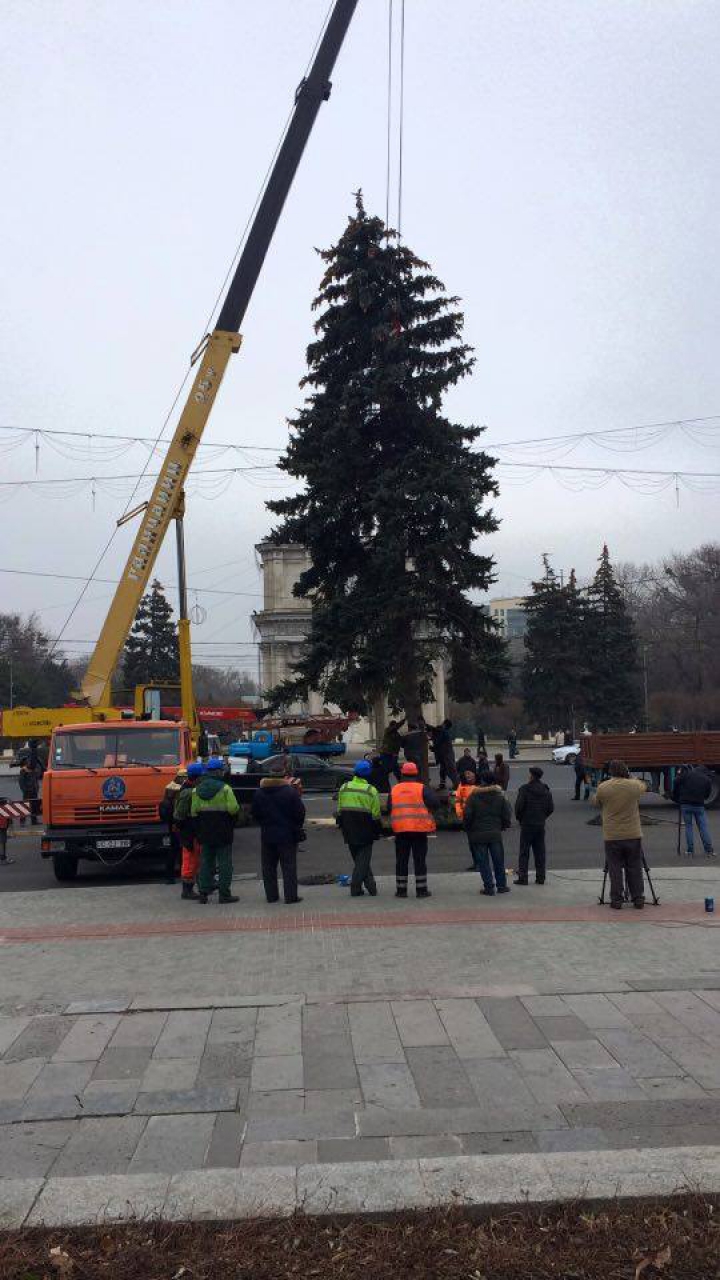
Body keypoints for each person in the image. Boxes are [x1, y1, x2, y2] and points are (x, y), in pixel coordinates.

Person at [593, 759, 648, 910]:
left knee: (615, 867)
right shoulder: (634, 786)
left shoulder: (604, 787)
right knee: (635, 866)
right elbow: (644, 786)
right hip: (633, 833)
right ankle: (638, 898)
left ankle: (616, 899)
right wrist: (631, 778)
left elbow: (596, 802)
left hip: (612, 835)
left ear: (610, 771)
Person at [251, 758, 306, 905]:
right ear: (283, 776)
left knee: (268, 867)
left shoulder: (259, 793)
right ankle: (291, 896)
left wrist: (264, 824)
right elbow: (300, 813)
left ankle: (271, 896)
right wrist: (296, 826)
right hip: (287, 835)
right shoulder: (290, 792)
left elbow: (254, 813)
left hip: (267, 835)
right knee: (288, 867)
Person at [191, 756, 240, 904]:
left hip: (204, 830)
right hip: (223, 830)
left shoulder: (196, 790)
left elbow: (193, 812)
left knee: (206, 862)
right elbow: (233, 809)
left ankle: (203, 893)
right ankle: (224, 894)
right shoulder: (225, 789)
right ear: (219, 772)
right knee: (224, 863)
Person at [388, 761, 440, 898]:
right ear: (416, 773)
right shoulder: (422, 788)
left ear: (403, 774)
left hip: (400, 830)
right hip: (419, 829)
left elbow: (389, 807)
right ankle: (421, 890)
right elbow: (435, 803)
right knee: (420, 860)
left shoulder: (395, 789)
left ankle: (401, 890)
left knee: (401, 861)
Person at [336, 760, 382, 897]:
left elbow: (339, 810)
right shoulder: (371, 790)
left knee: (360, 860)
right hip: (365, 829)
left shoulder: (344, 788)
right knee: (363, 861)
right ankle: (355, 888)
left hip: (348, 829)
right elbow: (375, 815)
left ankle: (371, 887)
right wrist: (377, 831)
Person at [463, 771, 512, 895]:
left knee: (483, 862)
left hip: (478, 833)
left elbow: (467, 815)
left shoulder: (473, 796)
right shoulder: (500, 796)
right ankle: (501, 886)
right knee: (498, 861)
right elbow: (507, 814)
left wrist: (468, 828)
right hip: (495, 833)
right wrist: (502, 826)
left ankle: (489, 887)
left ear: (482, 781)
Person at [514, 766, 554, 885]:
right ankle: (540, 877)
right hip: (540, 824)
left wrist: (521, 819)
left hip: (527, 824)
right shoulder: (545, 790)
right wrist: (542, 817)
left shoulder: (525, 789)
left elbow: (519, 807)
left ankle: (523, 877)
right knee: (540, 851)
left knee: (524, 852)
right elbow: (550, 808)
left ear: (532, 776)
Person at [173, 761, 205, 900]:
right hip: (190, 831)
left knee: (194, 859)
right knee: (190, 860)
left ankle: (192, 887)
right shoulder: (188, 792)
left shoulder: (186, 788)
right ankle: (187, 890)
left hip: (190, 830)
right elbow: (179, 815)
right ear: (197, 777)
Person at [672, 764, 715, 857]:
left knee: (688, 827)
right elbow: (707, 795)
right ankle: (709, 850)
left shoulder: (687, 775)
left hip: (685, 804)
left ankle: (690, 850)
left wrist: (676, 795)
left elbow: (675, 781)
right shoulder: (706, 779)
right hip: (699, 805)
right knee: (703, 827)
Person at [428, 719, 459, 790]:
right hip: (445, 754)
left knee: (450, 770)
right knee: (443, 770)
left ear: (444, 724)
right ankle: (443, 784)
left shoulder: (443, 732)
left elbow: (438, 742)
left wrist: (433, 748)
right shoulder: (443, 732)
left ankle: (457, 784)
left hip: (446, 755)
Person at [380, 718, 406, 783]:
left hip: (393, 754)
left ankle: (400, 780)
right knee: (386, 768)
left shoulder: (397, 734)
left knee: (395, 767)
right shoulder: (387, 730)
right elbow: (396, 727)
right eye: (394, 726)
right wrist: (403, 720)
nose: (395, 727)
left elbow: (401, 742)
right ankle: (384, 781)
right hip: (386, 753)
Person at [18, 760, 40, 826]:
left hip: (34, 790)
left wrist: (37, 788)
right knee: (25, 806)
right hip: (27, 791)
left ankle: (34, 821)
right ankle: (22, 821)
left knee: (34, 806)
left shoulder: (33, 770)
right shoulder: (23, 771)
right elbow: (21, 782)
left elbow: (37, 778)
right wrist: (25, 790)